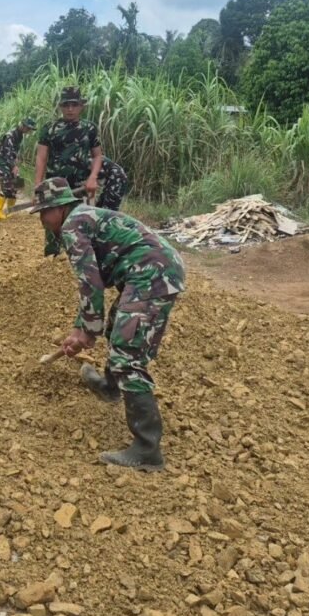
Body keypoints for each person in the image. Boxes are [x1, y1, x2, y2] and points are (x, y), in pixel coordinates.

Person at [30, 177, 185, 471]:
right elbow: (93, 283)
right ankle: (110, 387)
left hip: (152, 273)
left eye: (43, 212)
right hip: (150, 269)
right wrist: (85, 327)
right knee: (117, 328)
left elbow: (90, 282)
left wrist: (86, 330)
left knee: (128, 356)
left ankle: (147, 450)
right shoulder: (83, 216)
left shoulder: (72, 226)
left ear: (59, 208)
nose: (41, 220)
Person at [33, 86, 103, 254]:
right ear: (60, 107)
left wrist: (93, 177)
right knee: (52, 223)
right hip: (55, 189)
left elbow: (97, 156)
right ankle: (53, 259)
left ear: (81, 106)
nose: (70, 109)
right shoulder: (49, 129)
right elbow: (41, 157)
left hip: (80, 186)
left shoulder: (90, 129)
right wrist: (38, 186)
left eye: (74, 104)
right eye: (66, 105)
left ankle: (78, 257)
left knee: (80, 224)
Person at [0, 117, 36, 219]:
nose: (29, 131)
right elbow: (7, 154)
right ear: (23, 126)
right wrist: (14, 166)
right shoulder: (9, 136)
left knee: (14, 188)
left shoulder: (19, 136)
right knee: (6, 186)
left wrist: (16, 162)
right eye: (28, 128)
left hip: (8, 164)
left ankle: (10, 210)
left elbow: (13, 153)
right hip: (1, 164)